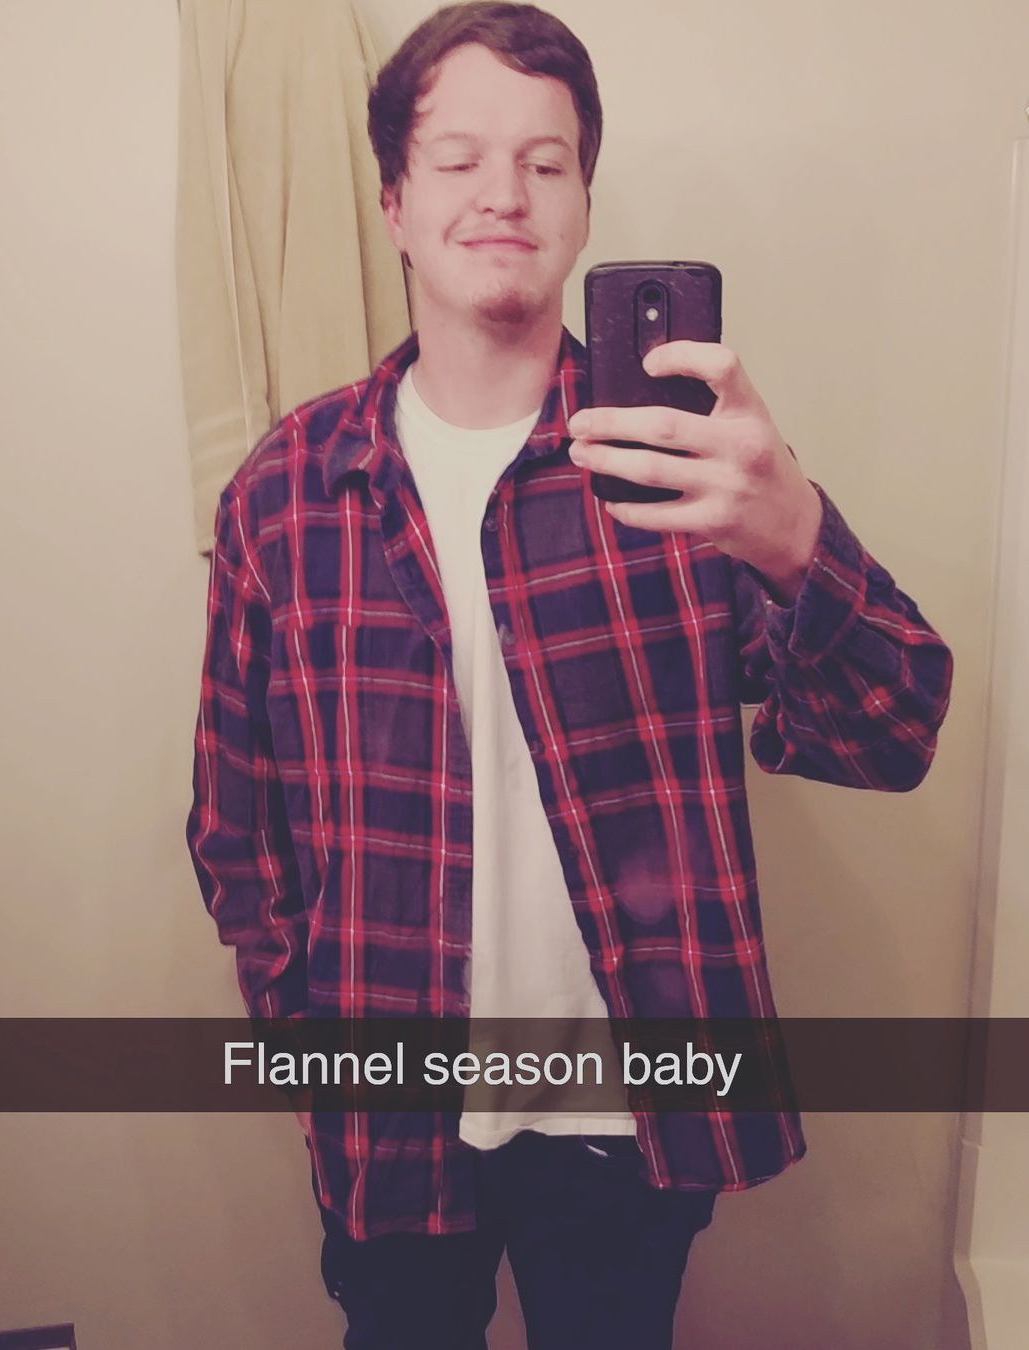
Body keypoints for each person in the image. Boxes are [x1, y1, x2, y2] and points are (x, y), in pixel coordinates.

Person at [185, 4, 954, 1346]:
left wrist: (795, 536)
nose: (504, 193)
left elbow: (893, 730)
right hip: (389, 1110)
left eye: (545, 163)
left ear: (587, 204)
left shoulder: (686, 473)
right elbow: (233, 827)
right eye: (459, 159)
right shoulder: (289, 493)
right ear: (394, 203)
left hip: (627, 1122)